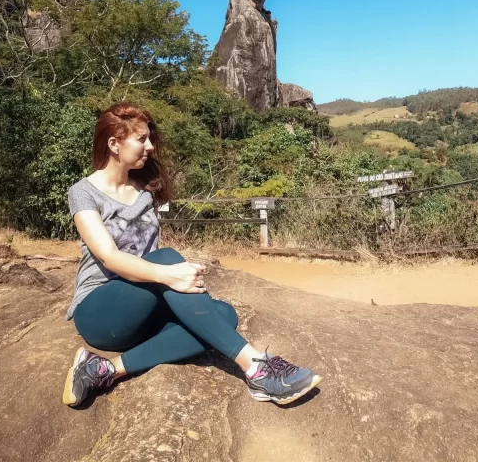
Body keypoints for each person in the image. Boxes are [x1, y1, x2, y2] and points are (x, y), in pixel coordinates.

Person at [62, 102, 321, 408]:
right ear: (114, 144)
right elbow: (108, 257)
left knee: (225, 316)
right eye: (141, 139)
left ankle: (105, 370)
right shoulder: (84, 192)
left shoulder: (144, 191)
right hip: (101, 311)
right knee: (168, 258)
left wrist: (170, 277)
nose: (150, 146)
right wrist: (168, 274)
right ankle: (257, 367)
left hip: (144, 311)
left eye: (150, 139)